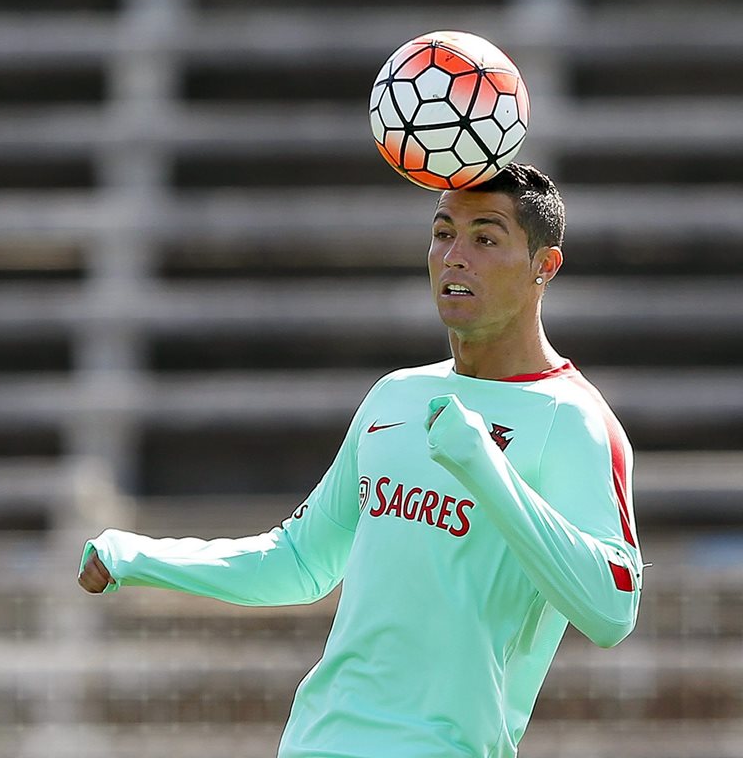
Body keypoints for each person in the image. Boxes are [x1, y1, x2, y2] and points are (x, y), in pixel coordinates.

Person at [76, 163, 643, 757]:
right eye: (444, 231)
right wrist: (137, 555)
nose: (455, 255)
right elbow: (299, 561)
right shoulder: (395, 396)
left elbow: (612, 608)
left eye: (486, 238)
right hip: (316, 741)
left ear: (544, 267)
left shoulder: (573, 420)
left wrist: (486, 468)